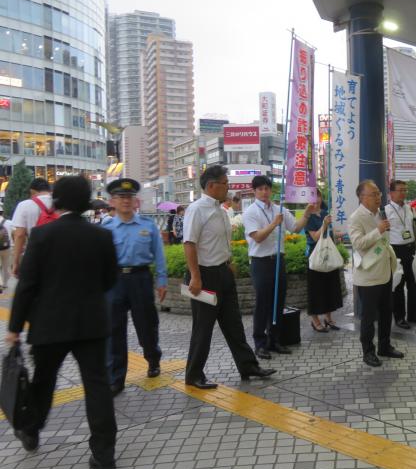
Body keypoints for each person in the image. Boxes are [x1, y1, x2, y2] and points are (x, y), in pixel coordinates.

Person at [5, 176, 118, 469]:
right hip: (92, 324)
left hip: (49, 324)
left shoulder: (42, 236)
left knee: (43, 382)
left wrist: (14, 327)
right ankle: (104, 456)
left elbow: (27, 285)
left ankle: (31, 429)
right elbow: (110, 280)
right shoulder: (102, 236)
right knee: (97, 387)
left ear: (57, 201)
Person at [183, 166, 275, 389]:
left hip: (223, 273)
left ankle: (248, 366)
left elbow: (220, 242)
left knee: (234, 324)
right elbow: (189, 244)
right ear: (212, 185)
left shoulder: (221, 210)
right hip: (204, 276)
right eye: (225, 183)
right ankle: (194, 375)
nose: (228, 187)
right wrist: (195, 276)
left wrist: (229, 262)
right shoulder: (197, 210)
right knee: (203, 328)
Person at [102, 178, 168, 397]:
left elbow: (158, 255)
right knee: (114, 330)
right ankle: (116, 378)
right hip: (115, 281)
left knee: (146, 325)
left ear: (136, 201)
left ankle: (153, 358)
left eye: (129, 197)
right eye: (121, 197)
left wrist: (161, 280)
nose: (126, 201)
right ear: (113, 201)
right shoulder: (106, 228)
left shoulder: (147, 226)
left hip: (140, 279)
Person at [243, 175, 317, 359]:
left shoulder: (279, 209)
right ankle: (260, 344)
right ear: (254, 191)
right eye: (260, 189)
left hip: (278, 260)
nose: (264, 192)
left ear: (271, 190)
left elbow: (295, 228)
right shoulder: (251, 212)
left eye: (267, 188)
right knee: (262, 304)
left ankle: (274, 341)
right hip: (261, 262)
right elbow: (258, 237)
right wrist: (274, 224)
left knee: (278, 302)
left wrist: (307, 213)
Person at [349, 180, 404, 367]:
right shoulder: (356, 217)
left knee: (386, 313)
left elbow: (385, 242)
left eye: (379, 193)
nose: (378, 197)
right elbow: (359, 244)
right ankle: (368, 352)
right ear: (361, 197)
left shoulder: (379, 213)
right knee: (368, 317)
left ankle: (384, 346)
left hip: (385, 273)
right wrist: (378, 230)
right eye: (374, 194)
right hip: (368, 277)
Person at [385, 179, 416, 329]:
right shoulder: (385, 211)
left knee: (414, 284)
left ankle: (414, 315)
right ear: (391, 193)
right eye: (400, 190)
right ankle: (399, 317)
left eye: (405, 190)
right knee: (398, 286)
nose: (403, 193)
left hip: (411, 249)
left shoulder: (411, 209)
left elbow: (414, 227)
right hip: (395, 251)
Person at [304, 197, 343, 333]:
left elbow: (329, 232)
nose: (316, 200)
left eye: (318, 196)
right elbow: (315, 236)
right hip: (315, 257)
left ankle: (328, 318)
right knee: (315, 290)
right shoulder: (308, 216)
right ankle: (315, 320)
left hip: (327, 255)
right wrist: (325, 225)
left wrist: (336, 233)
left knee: (329, 287)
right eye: (312, 197)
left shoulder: (325, 212)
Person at [11, 177, 53, 276]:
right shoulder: (61, 204)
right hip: (59, 256)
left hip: (34, 256)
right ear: (49, 190)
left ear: (32, 191)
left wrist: (16, 262)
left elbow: (19, 235)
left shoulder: (24, 205)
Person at [0, 203, 12, 291]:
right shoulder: (9, 222)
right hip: (7, 247)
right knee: (6, 266)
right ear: (2, 213)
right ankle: (5, 284)